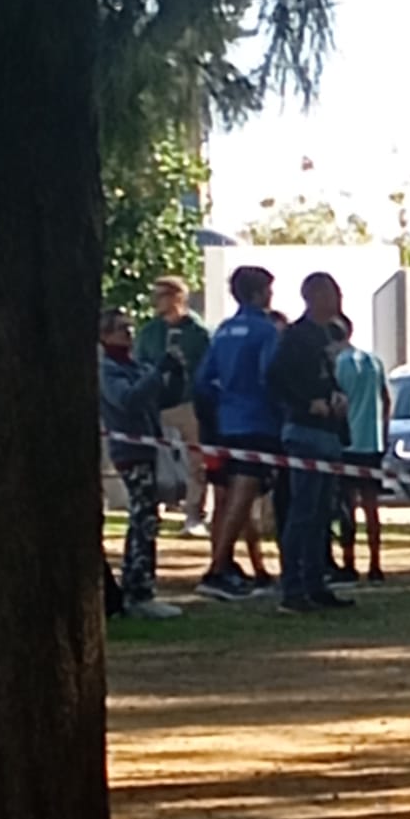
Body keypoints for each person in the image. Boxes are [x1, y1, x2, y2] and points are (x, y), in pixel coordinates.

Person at [193, 265, 282, 601]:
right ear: (259, 293)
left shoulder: (223, 331)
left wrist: (220, 408)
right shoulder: (265, 330)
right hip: (257, 422)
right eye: (268, 290)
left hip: (226, 422)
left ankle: (236, 567)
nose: (271, 296)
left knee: (232, 497)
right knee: (243, 496)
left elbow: (203, 380)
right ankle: (217, 569)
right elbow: (270, 377)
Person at [266, 272, 352, 616]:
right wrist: (306, 404)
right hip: (304, 432)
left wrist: (337, 397)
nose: (337, 299)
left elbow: (325, 377)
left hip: (328, 432)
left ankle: (317, 583)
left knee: (321, 513)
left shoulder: (325, 336)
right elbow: (276, 378)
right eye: (331, 293)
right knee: (302, 512)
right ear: (314, 296)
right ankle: (293, 588)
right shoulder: (296, 336)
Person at [99, 308, 186, 620]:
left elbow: (161, 398)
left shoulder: (135, 366)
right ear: (105, 334)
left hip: (149, 449)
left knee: (148, 517)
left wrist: (175, 373)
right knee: (142, 518)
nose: (129, 333)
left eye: (131, 328)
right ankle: (138, 590)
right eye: (122, 329)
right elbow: (129, 400)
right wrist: (156, 373)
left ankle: (140, 585)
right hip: (130, 451)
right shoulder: (108, 370)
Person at [136, 275, 213, 535]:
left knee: (196, 462)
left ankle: (194, 514)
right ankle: (153, 508)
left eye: (161, 295)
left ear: (177, 297)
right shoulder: (150, 332)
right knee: (154, 457)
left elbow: (207, 369)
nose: (155, 301)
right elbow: (140, 363)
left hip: (188, 403)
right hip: (157, 404)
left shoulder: (198, 333)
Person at [331, 314, 390, 585]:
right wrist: (383, 434)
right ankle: (376, 564)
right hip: (371, 441)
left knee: (347, 505)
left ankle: (349, 562)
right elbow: (386, 400)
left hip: (346, 443)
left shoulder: (336, 365)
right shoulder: (373, 361)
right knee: (371, 505)